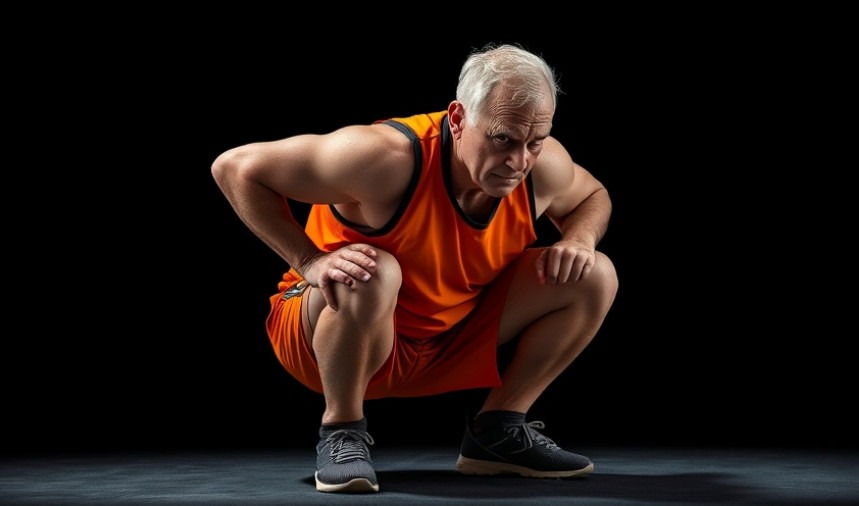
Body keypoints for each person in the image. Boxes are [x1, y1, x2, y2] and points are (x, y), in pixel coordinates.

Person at [211, 43, 618, 494]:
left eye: (533, 143)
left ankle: (497, 430)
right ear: (459, 118)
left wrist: (578, 238)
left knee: (594, 272)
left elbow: (591, 196)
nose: (519, 162)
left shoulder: (543, 165)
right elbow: (236, 167)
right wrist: (308, 259)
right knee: (374, 271)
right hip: (336, 336)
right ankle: (342, 430)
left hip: (446, 338)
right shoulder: (383, 158)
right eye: (503, 139)